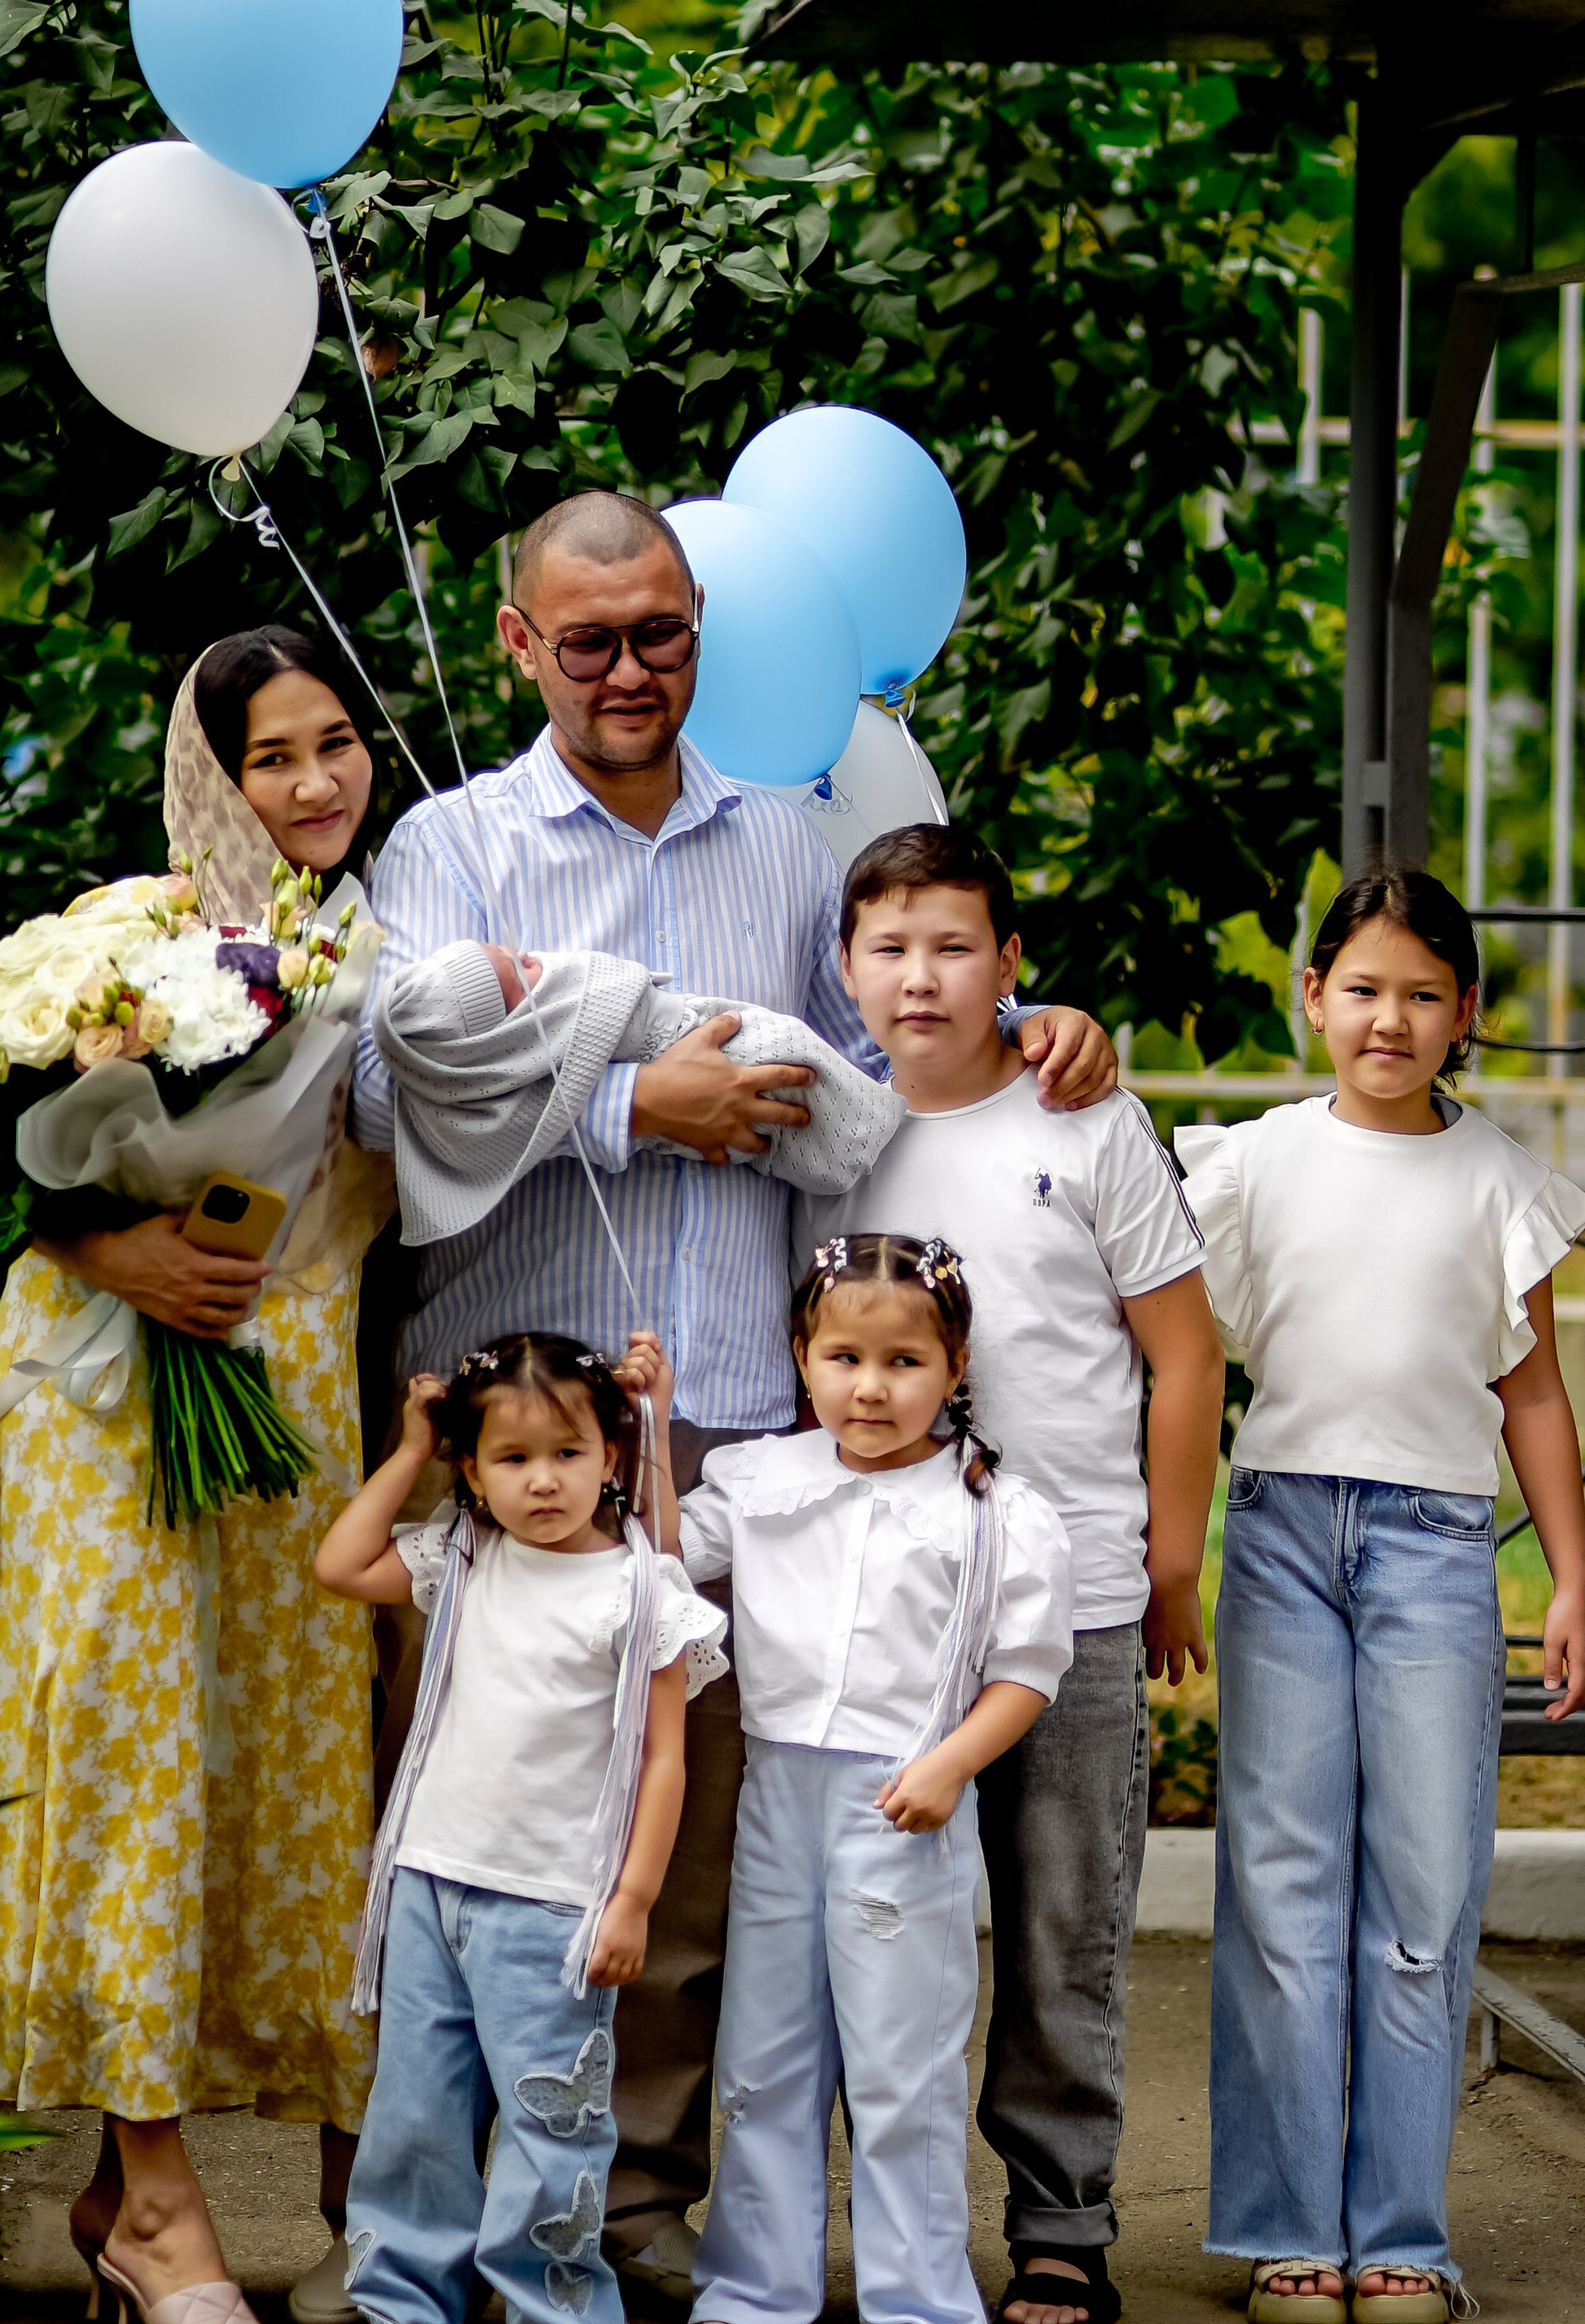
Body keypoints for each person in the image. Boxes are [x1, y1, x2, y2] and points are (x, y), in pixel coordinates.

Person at [350, 486, 1118, 2288]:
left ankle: (635, 2217)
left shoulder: (787, 845)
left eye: (661, 630)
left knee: (679, 1857)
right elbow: (391, 1096)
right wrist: (633, 1103)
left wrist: (1040, 1031)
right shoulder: (448, 848)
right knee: (474, 1820)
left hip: (744, 1433)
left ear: (700, 625)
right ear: (519, 644)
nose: (630, 669)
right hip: (518, 1428)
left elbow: (884, 1059)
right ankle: (441, 2217)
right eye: (589, 638)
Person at [0, 627, 398, 2324]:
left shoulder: (382, 950)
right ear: (211, 774)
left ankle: (111, 2192)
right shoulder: (133, 944)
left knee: (251, 1784)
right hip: (101, 1400)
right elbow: (19, 1170)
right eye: (272, 755)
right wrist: (100, 1224)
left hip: (282, 1399)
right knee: (117, 1763)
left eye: (334, 741)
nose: (314, 780)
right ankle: (156, 2200)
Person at [804, 823, 1225, 2324]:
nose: (921, 976)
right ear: (843, 963)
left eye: (953, 944)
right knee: (882, 1928)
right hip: (883, 1600)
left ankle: (1062, 2219)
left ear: (1010, 961)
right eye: (888, 946)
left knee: (1062, 1923)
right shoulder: (825, 1130)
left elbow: (1182, 1354)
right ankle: (899, 2224)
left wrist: (1168, 1558)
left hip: (1078, 1594)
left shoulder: (1087, 1118)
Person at [1176, 867, 1585, 2324]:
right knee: (1283, 1887)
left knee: (1421, 1888)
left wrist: (1571, 1579)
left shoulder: (1498, 1178)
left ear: (1464, 1013)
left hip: (1432, 1549)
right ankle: (1292, 2227)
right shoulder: (1249, 1165)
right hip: (1282, 1534)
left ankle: (1403, 2237)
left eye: (1423, 991)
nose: (1388, 1016)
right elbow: (1168, 1349)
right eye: (1360, 985)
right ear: (1313, 997)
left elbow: (1530, 1387)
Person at [669, 1232, 1072, 2324]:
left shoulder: (989, 1509)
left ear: (953, 1365)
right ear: (801, 1353)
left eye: (902, 1361)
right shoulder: (756, 1479)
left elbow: (1024, 1667)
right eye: (842, 1356)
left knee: (902, 2065)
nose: (870, 1386)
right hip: (776, 1799)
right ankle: (756, 2288)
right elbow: (654, 1556)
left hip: (903, 1802)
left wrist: (949, 1763)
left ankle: (915, 2296)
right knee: (764, 2053)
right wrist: (638, 1420)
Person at [312, 1326, 724, 2324]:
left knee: (552, 2129)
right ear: (472, 1468)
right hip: (428, 1885)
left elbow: (664, 1758)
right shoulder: (461, 1559)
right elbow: (337, 1563)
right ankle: (405, 2301)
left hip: (553, 1908)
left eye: (568, 1454)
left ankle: (552, 2307)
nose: (543, 1481)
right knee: (414, 2116)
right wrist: (411, 1446)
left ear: (610, 1458)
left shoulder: (637, 1587)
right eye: (512, 1457)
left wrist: (630, 1902)